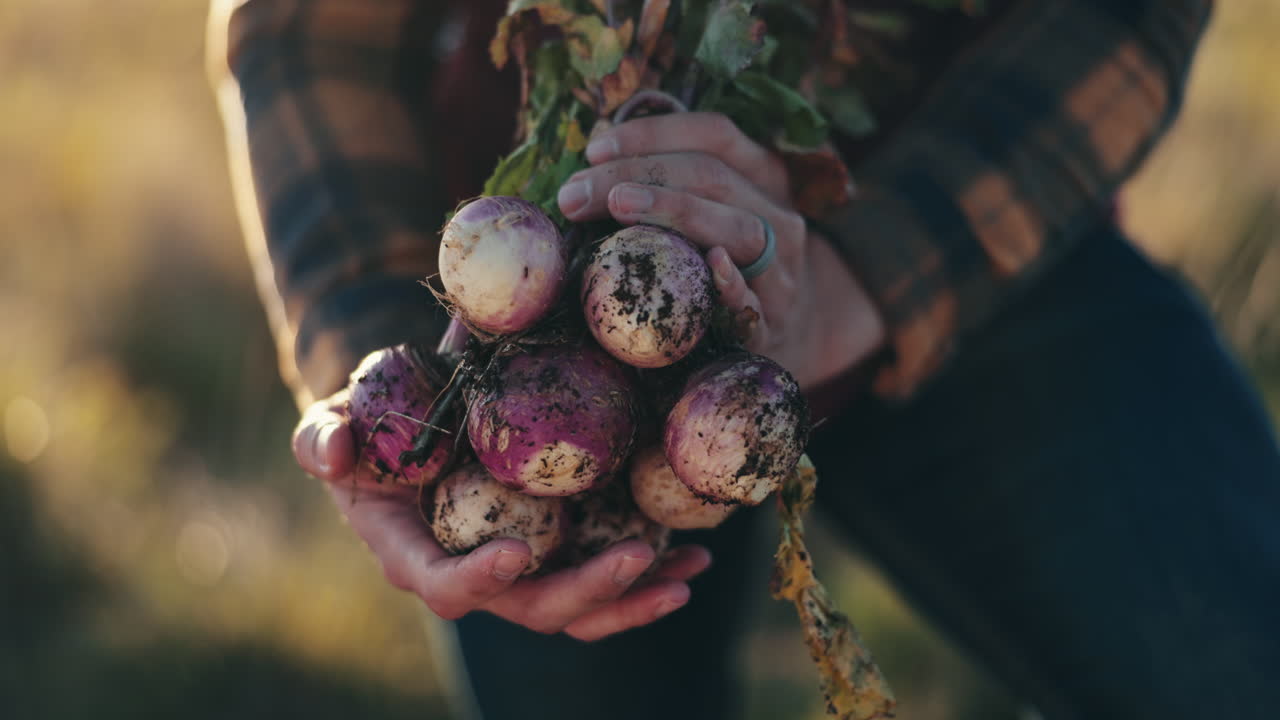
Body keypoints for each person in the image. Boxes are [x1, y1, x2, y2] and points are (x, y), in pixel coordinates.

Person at [209, 0, 1280, 718]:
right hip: (520, 327)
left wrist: (864, 283)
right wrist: (382, 388)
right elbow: (307, 29)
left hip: (962, 214)